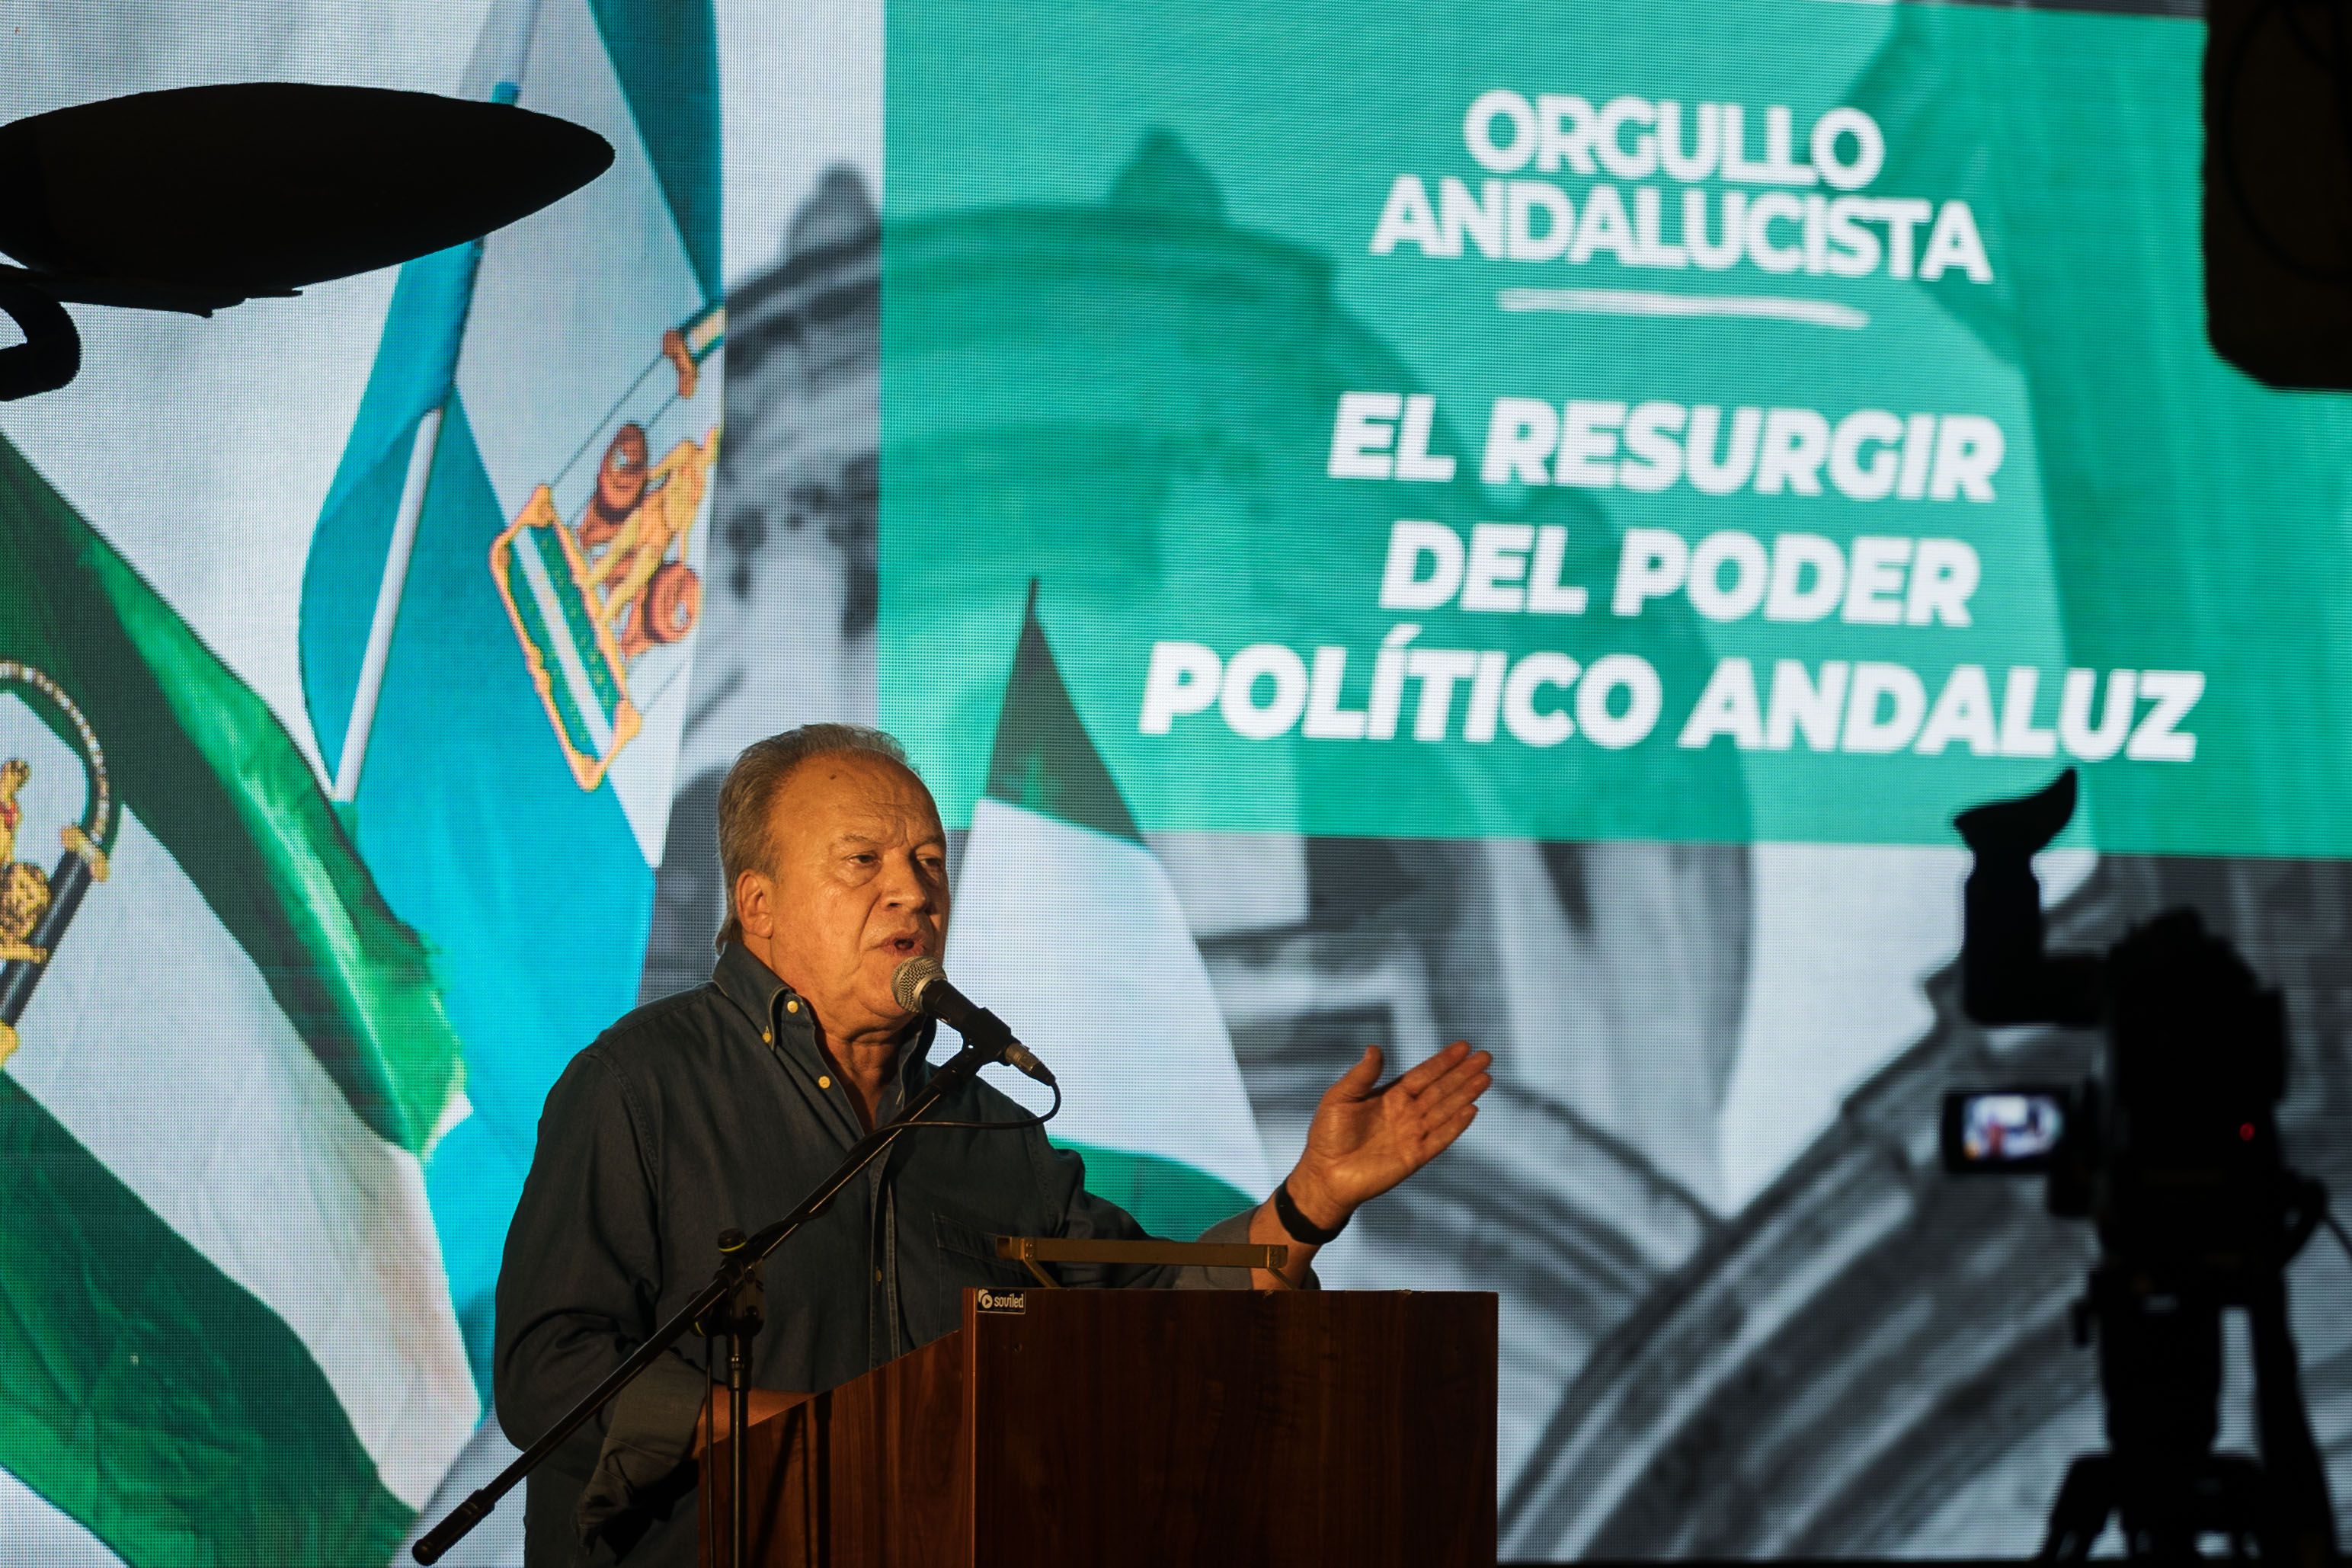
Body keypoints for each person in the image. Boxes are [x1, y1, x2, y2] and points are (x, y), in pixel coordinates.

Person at [494, 724, 1493, 1566]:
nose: (913, 892)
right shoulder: (642, 1083)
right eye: (864, 861)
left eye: (930, 861)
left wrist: (1307, 1202)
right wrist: (812, 1438)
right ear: (759, 906)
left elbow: (1150, 1323)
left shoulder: (991, 1133)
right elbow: (551, 1368)